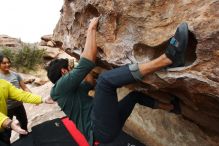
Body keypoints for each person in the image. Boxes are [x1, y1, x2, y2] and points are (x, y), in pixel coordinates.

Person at [46, 17, 188, 145]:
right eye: (69, 68)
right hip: (98, 128)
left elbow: (90, 83)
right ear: (63, 72)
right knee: (105, 81)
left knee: (134, 96)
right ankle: (168, 58)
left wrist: (81, 61)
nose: (71, 70)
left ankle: (171, 108)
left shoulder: (68, 92)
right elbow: (89, 62)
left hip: (105, 130)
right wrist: (91, 28)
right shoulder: (59, 88)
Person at [0, 79, 54, 146]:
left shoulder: (3, 83)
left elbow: (21, 94)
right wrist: (7, 122)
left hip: (3, 127)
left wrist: (42, 99)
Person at [0, 55, 31, 139]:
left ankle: (25, 141)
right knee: (7, 131)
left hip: (18, 105)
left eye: (8, 62)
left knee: (24, 123)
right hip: (6, 108)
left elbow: (24, 87)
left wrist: (31, 96)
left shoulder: (16, 75)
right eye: (4, 63)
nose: (7, 64)